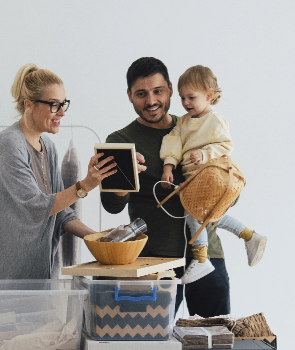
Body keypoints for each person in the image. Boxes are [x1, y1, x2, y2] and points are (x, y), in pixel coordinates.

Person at [0, 63, 116, 279]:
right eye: (53, 105)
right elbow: (36, 207)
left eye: (64, 104)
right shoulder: (8, 145)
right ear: (29, 104)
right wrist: (84, 185)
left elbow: (60, 211)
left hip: (30, 275)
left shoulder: (48, 147)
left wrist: (97, 238)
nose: (61, 113)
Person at [101, 57, 229, 318]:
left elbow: (229, 192)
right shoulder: (120, 141)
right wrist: (124, 181)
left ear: (171, 88)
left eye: (158, 91)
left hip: (208, 255)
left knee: (216, 341)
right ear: (129, 95)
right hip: (154, 259)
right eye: (141, 94)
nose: (151, 101)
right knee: (150, 343)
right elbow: (112, 206)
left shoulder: (201, 127)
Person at [159, 65, 267, 284]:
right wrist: (168, 166)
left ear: (209, 95)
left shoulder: (215, 120)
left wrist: (205, 153)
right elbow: (174, 142)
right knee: (209, 216)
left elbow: (225, 146)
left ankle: (201, 258)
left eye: (191, 97)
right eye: (182, 98)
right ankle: (248, 235)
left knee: (194, 215)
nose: (186, 103)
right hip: (191, 180)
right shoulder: (183, 122)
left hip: (209, 178)